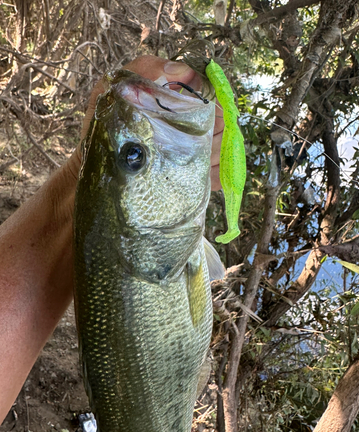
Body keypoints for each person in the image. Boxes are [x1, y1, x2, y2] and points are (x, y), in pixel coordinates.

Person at [0, 55, 224, 423]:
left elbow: (109, 218)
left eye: (133, 155)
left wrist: (84, 175)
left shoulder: (153, 253)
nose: (134, 154)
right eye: (133, 156)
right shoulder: (157, 256)